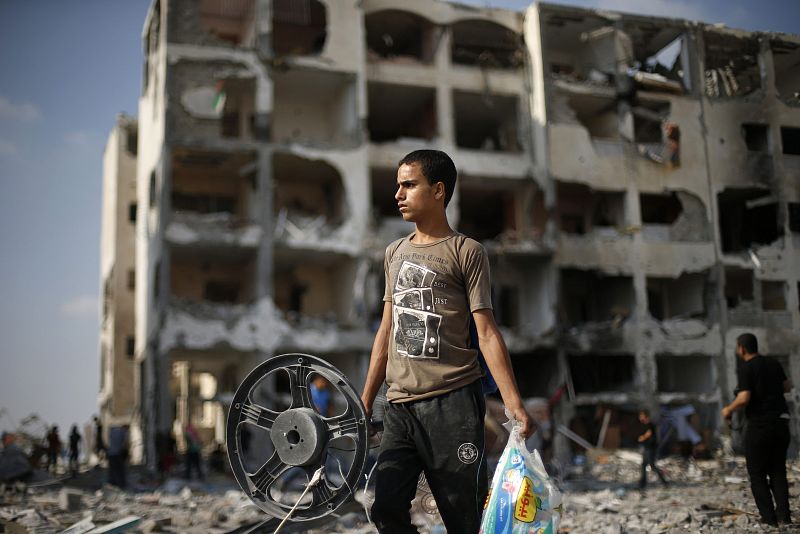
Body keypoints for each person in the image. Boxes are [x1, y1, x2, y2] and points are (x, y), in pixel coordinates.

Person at [361, 149, 532, 533]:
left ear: (438, 190)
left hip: (453, 403)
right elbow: (386, 331)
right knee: (385, 508)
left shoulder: (466, 252)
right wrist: (366, 400)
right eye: (398, 186)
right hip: (399, 405)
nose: (398, 195)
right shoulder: (394, 253)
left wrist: (513, 403)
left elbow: (486, 332)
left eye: (409, 185)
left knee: (463, 515)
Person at [722, 333, 792, 527]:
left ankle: (769, 519)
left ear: (741, 349)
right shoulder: (773, 363)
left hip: (759, 427)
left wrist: (728, 409)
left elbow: (744, 397)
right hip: (781, 424)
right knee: (778, 471)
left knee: (757, 474)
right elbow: (787, 386)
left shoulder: (746, 368)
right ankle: (784, 517)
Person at [637, 409, 667, 489]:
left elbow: (648, 434)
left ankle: (663, 481)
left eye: (641, 416)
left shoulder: (650, 425)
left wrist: (642, 438)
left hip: (650, 448)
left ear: (645, 416)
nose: (640, 417)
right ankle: (643, 483)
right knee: (644, 465)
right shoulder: (645, 424)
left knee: (652, 465)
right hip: (646, 448)